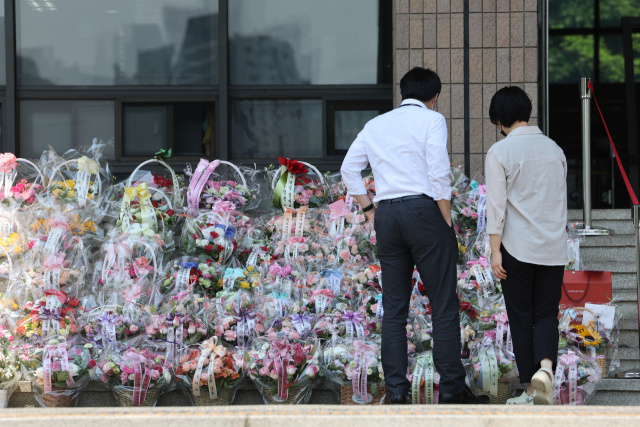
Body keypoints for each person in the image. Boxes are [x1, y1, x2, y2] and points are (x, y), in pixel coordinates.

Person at [340, 67, 490, 405]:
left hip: (387, 214)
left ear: (402, 92)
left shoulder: (375, 125)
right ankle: (451, 389)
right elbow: (438, 168)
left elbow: (349, 168)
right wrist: (446, 218)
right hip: (424, 211)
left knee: (393, 308)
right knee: (443, 303)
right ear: (434, 96)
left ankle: (396, 392)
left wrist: (369, 210)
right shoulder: (432, 120)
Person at [485, 86, 567, 405]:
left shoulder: (500, 152)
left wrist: (495, 251)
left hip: (517, 248)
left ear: (499, 119)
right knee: (546, 314)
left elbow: (496, 207)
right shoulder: (554, 149)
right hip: (552, 247)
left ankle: (531, 391)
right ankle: (545, 369)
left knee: (521, 315)